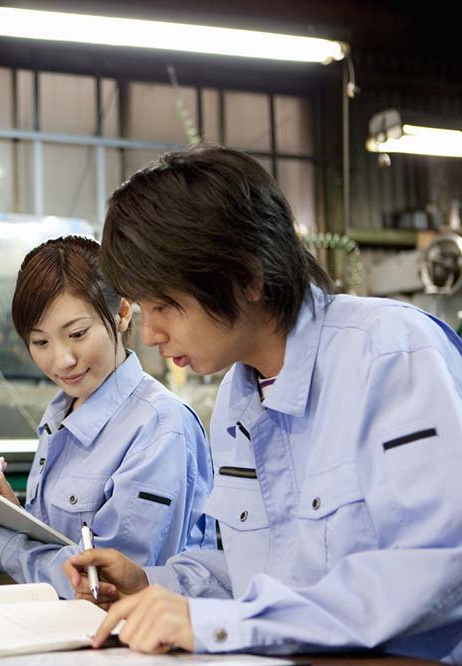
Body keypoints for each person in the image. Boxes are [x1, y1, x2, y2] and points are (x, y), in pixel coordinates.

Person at [64, 145, 462, 660]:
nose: (152, 332)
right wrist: (151, 585)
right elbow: (270, 574)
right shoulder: (237, 396)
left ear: (248, 277)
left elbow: (436, 567)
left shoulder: (390, 355)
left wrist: (226, 623)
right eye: (142, 308)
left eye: (165, 305)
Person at [0, 236, 217, 598]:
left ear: (123, 313)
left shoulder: (160, 427)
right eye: (40, 342)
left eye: (77, 334)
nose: (62, 360)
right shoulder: (62, 412)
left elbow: (108, 586)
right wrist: (11, 515)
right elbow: (61, 543)